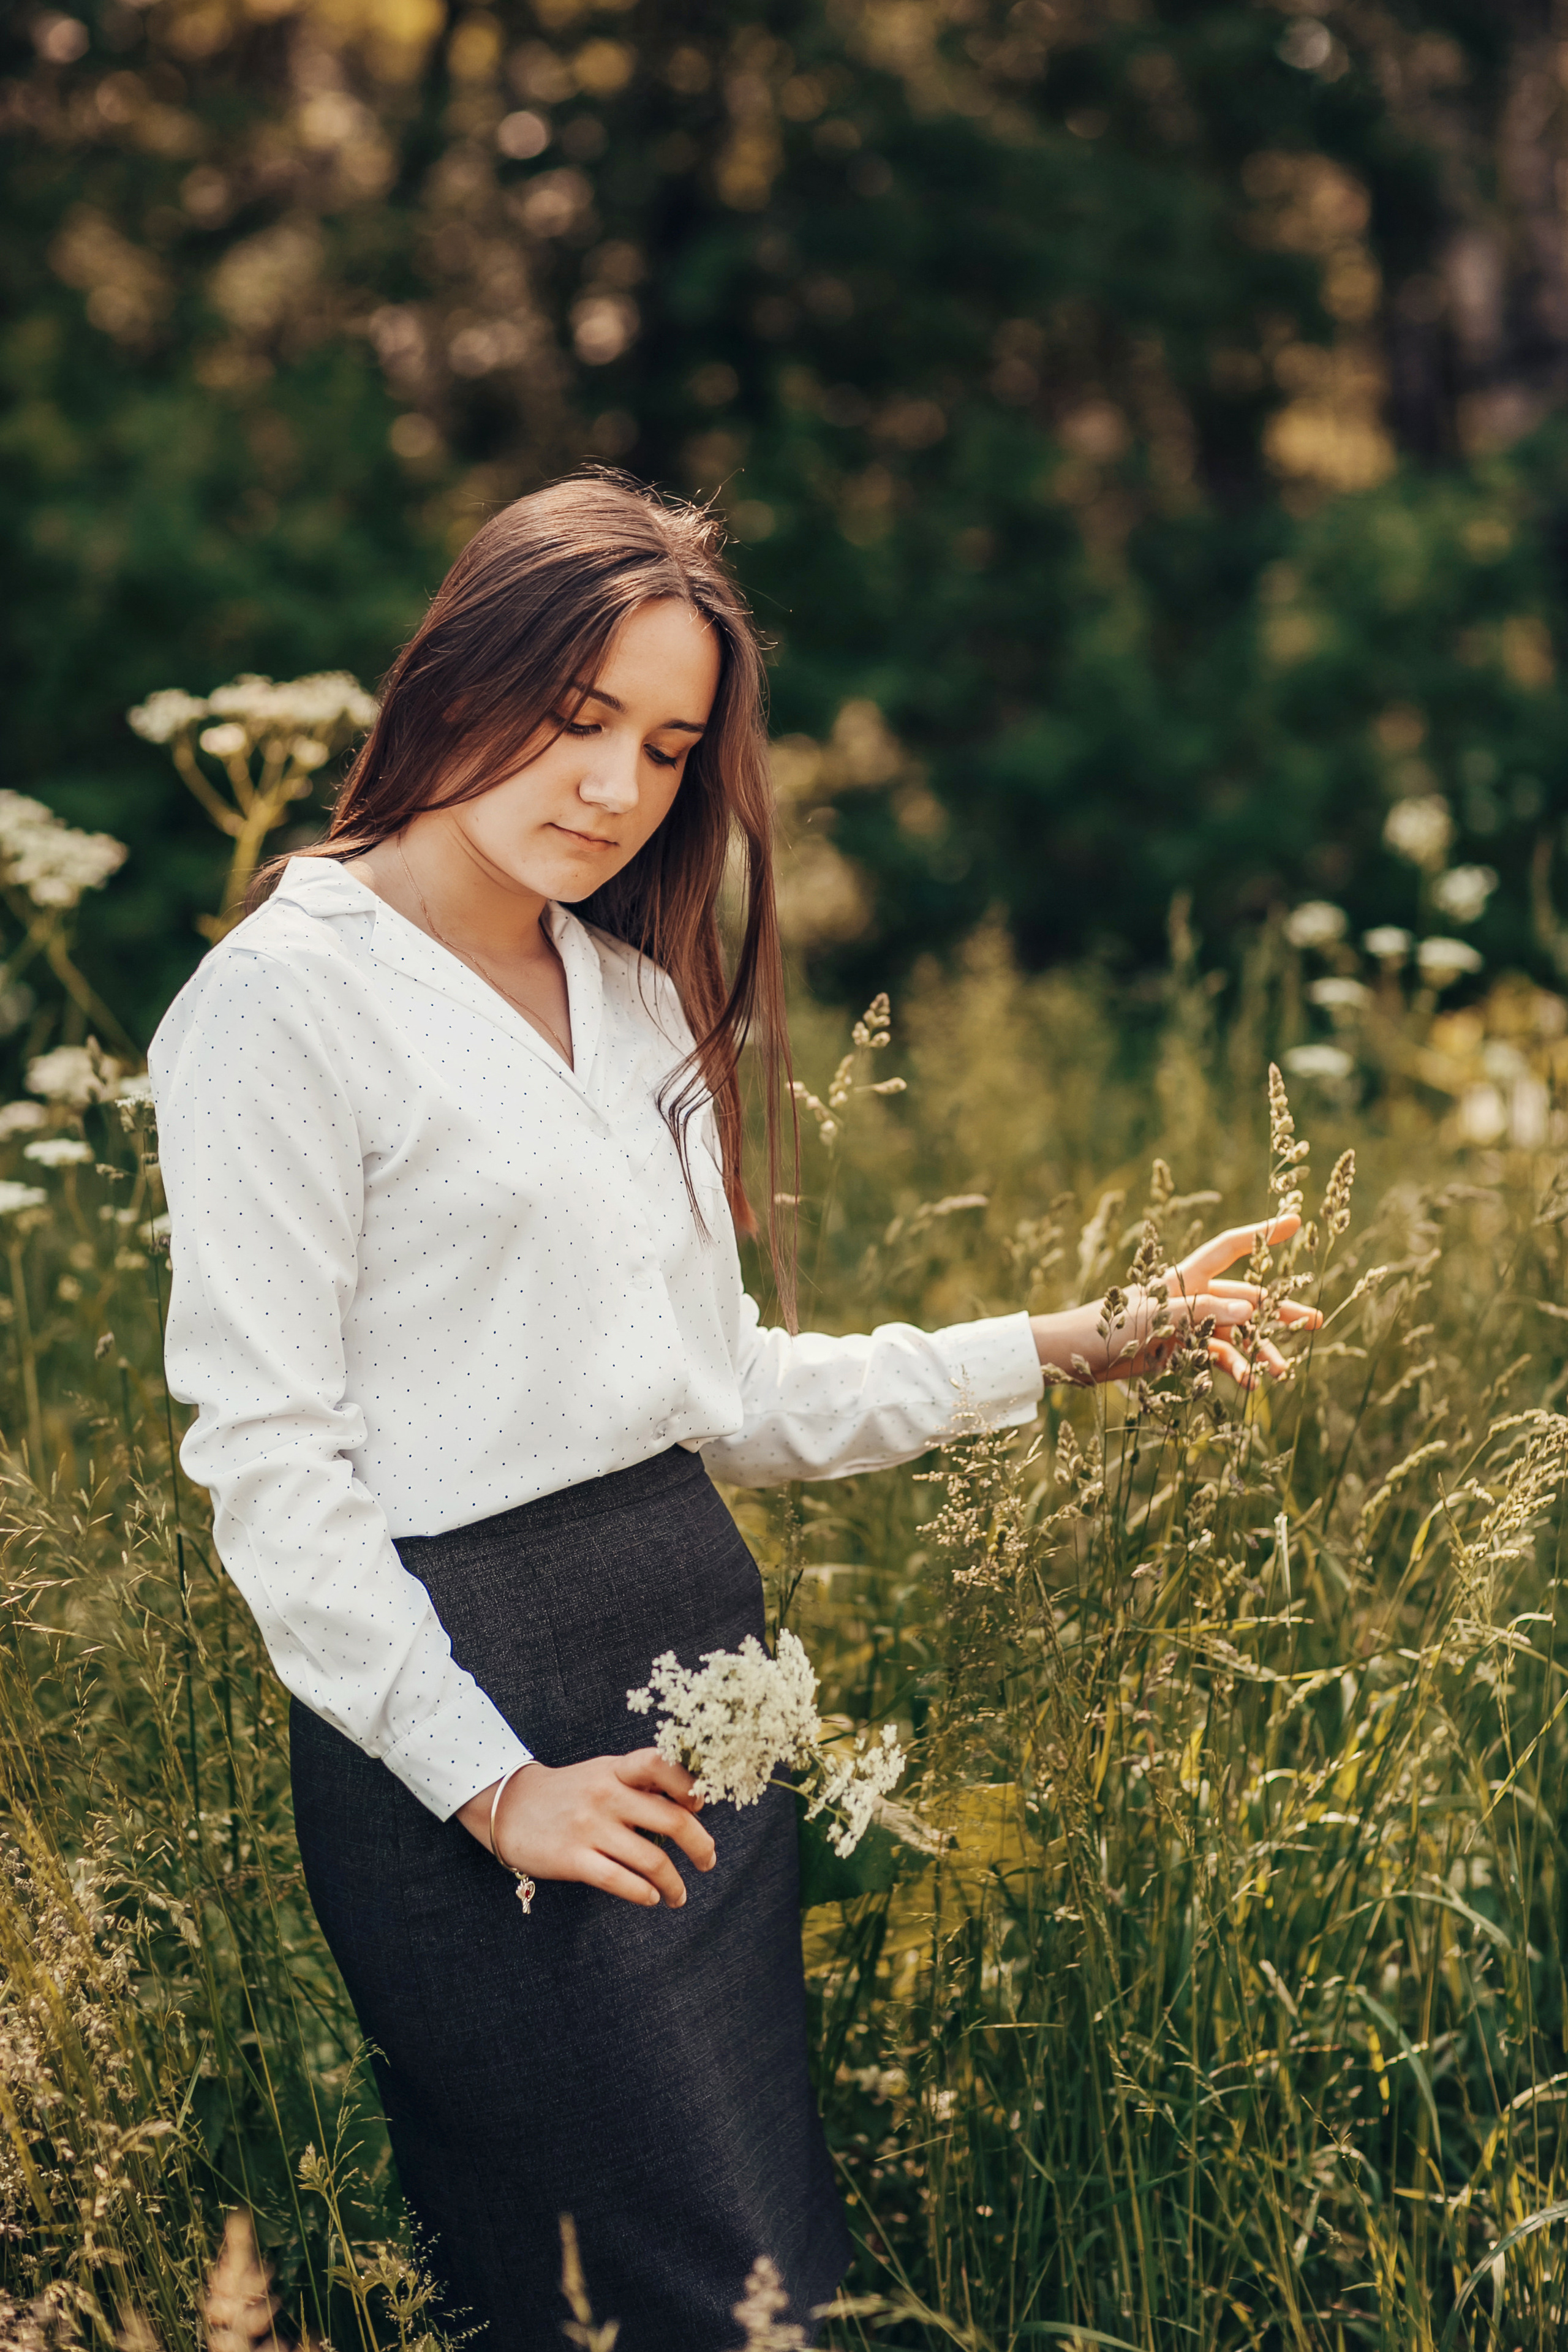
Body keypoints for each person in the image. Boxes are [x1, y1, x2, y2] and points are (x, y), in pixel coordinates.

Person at [148, 472, 1319, 2351]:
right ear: (460, 672)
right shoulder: (285, 1006)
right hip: (473, 1711)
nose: (616, 787)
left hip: (699, 1675)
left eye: (669, 747)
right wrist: (489, 1781)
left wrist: (1076, 1342)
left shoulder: (625, 993)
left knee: (768, 2273)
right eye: (580, 715)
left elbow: (732, 1398)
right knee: (618, 2292)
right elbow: (270, 1464)